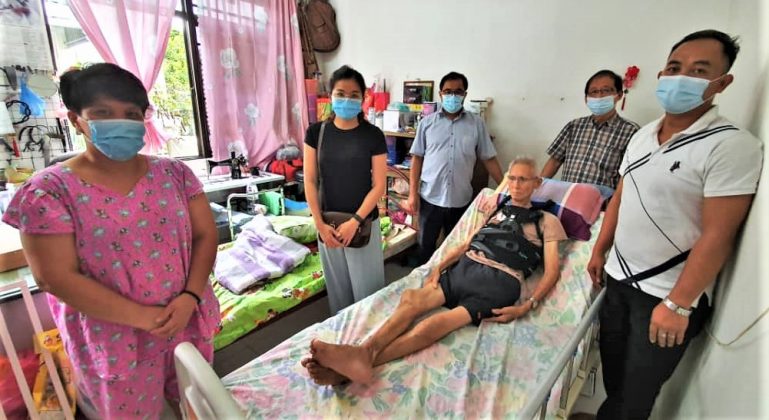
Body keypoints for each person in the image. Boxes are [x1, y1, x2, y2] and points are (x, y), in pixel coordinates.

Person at [1, 63, 220, 418]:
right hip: (115, 337)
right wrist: (146, 318)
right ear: (77, 120)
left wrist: (190, 297)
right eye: (103, 113)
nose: (120, 122)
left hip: (187, 317)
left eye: (131, 114)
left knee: (198, 407)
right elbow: (54, 277)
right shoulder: (48, 191)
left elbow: (205, 235)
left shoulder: (175, 174)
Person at [587, 30, 763, 420]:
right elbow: (621, 196)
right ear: (661, 75)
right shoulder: (643, 136)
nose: (682, 77)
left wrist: (678, 304)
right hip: (618, 279)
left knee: (637, 395)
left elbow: (719, 234)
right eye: (674, 67)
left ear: (722, 82)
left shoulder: (731, 146)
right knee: (614, 376)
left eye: (699, 70)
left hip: (665, 295)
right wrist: (600, 250)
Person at [303, 157, 567, 385]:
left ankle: (350, 368)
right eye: (512, 178)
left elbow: (552, 271)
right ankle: (362, 355)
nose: (517, 185)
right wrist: (438, 267)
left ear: (537, 183)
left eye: (524, 179)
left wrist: (527, 305)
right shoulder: (495, 210)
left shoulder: (547, 220)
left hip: (499, 281)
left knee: (435, 324)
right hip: (466, 267)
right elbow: (466, 244)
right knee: (411, 299)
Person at [303, 65, 388, 314]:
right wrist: (319, 224)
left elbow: (379, 185)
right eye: (340, 94)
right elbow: (310, 180)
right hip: (328, 225)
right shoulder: (316, 132)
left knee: (368, 300)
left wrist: (355, 222)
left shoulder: (373, 135)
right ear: (330, 95)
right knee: (338, 297)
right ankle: (341, 338)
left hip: (363, 225)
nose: (347, 100)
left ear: (363, 98)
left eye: (354, 95)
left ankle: (369, 339)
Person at [404, 71, 504, 264]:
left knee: (455, 250)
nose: (453, 96)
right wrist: (412, 194)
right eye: (448, 91)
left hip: (461, 199)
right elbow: (417, 159)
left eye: (458, 92)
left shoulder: (477, 124)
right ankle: (424, 278)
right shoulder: (427, 123)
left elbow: (489, 158)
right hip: (430, 198)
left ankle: (446, 280)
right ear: (440, 94)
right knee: (425, 247)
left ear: (465, 94)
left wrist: (504, 187)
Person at [541, 70, 640, 199]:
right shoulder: (574, 126)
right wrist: (536, 189)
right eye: (593, 92)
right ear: (586, 98)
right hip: (566, 201)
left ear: (619, 95)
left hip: (601, 205)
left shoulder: (631, 132)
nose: (599, 96)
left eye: (606, 90)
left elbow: (629, 178)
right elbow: (554, 161)